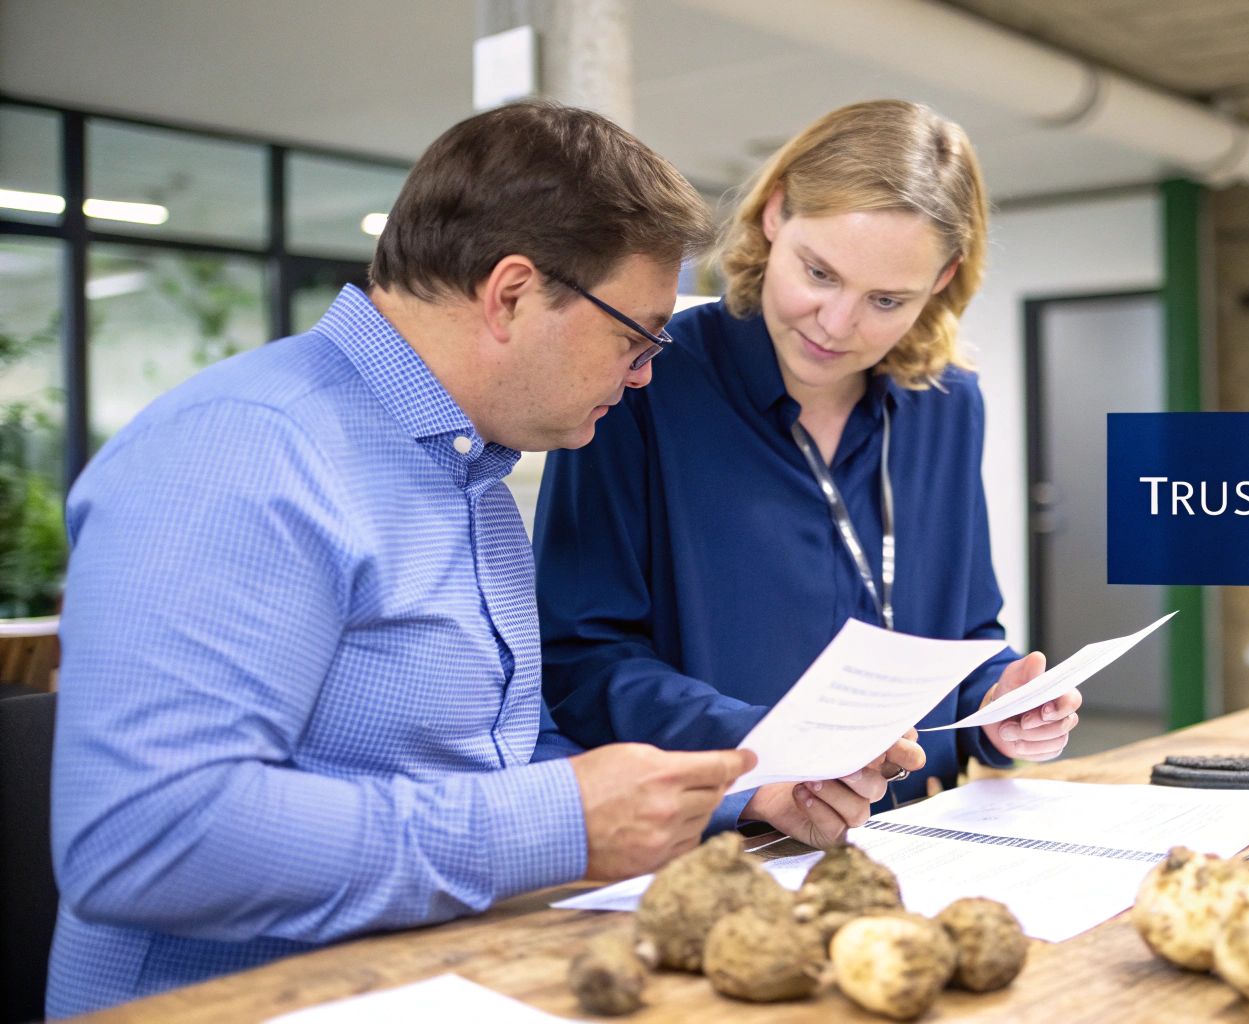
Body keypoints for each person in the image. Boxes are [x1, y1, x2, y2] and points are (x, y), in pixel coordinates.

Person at [45, 102, 754, 1018]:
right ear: (510, 293)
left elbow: (481, 763)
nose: (646, 372)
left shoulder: (471, 477)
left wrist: (727, 795)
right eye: (636, 335)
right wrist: (555, 823)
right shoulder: (245, 452)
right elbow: (148, 838)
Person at [536, 100, 1083, 847]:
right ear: (772, 214)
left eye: (887, 300)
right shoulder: (644, 383)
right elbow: (581, 660)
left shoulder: (948, 403)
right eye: (818, 273)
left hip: (925, 836)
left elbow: (966, 633)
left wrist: (1002, 704)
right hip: (722, 845)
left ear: (944, 279)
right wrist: (771, 752)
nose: (836, 323)